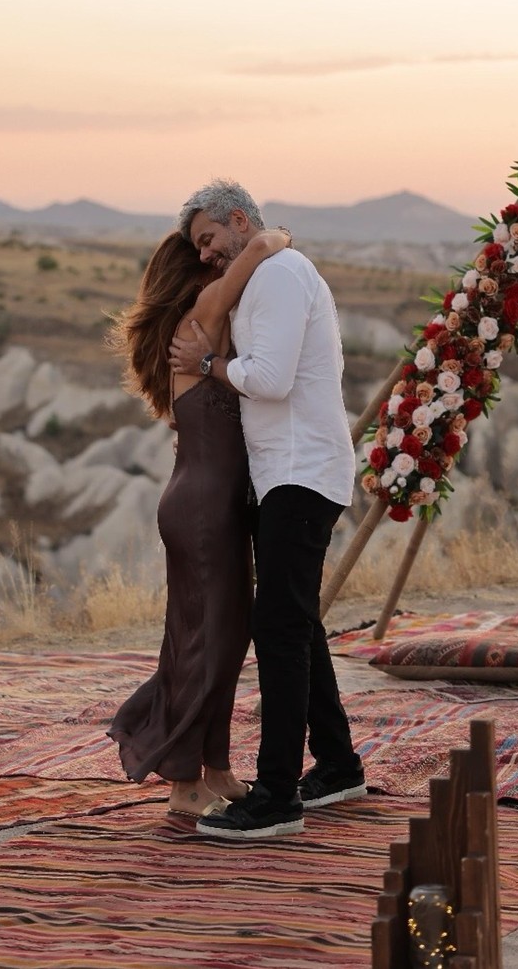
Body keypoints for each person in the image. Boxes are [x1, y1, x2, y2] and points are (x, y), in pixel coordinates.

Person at [169, 179, 365, 840]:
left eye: (208, 240)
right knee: (296, 622)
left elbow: (270, 377)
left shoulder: (280, 273)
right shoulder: (269, 271)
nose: (205, 255)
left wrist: (212, 362)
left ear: (234, 220)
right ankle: (337, 763)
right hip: (287, 473)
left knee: (278, 626)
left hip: (301, 473)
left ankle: (278, 792)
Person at [106, 224, 291, 819]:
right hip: (203, 509)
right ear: (192, 272)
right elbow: (261, 247)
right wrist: (272, 238)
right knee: (202, 643)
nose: (218, 262)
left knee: (225, 638)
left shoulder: (207, 333)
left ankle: (215, 767)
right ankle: (182, 781)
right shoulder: (199, 318)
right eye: (206, 255)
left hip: (214, 505)